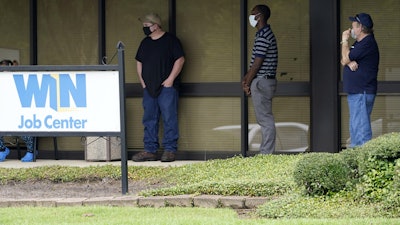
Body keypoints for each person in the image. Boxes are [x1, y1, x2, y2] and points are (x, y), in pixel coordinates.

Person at [133, 13, 185, 162]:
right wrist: (142, 82)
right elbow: (139, 62)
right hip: (149, 88)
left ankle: (170, 150)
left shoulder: (171, 41)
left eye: (146, 26)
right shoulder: (145, 43)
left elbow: (180, 60)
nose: (144, 29)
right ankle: (150, 150)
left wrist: (170, 79)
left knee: (169, 118)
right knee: (149, 118)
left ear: (155, 26)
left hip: (167, 87)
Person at [242, 4, 278, 154]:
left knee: (265, 119)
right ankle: (266, 151)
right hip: (263, 80)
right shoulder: (262, 34)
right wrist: (247, 80)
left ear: (259, 16)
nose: (251, 17)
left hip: (262, 81)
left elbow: (257, 64)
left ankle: (266, 153)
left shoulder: (264, 35)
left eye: (253, 14)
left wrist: (246, 82)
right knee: (264, 118)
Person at [341, 13, 379, 148]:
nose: (350, 28)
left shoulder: (367, 43)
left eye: (353, 25)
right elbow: (343, 59)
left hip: (361, 91)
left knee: (361, 130)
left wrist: (344, 41)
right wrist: (349, 62)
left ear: (361, 27)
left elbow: (345, 58)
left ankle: (364, 161)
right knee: (355, 127)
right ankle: (356, 161)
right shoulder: (359, 43)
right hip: (357, 92)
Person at [0, 60, 36, 162]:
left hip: (22, 114)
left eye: (5, 69)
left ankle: (31, 151)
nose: (3, 73)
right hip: (6, 114)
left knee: (24, 127)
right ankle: (2, 149)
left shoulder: (19, 79)